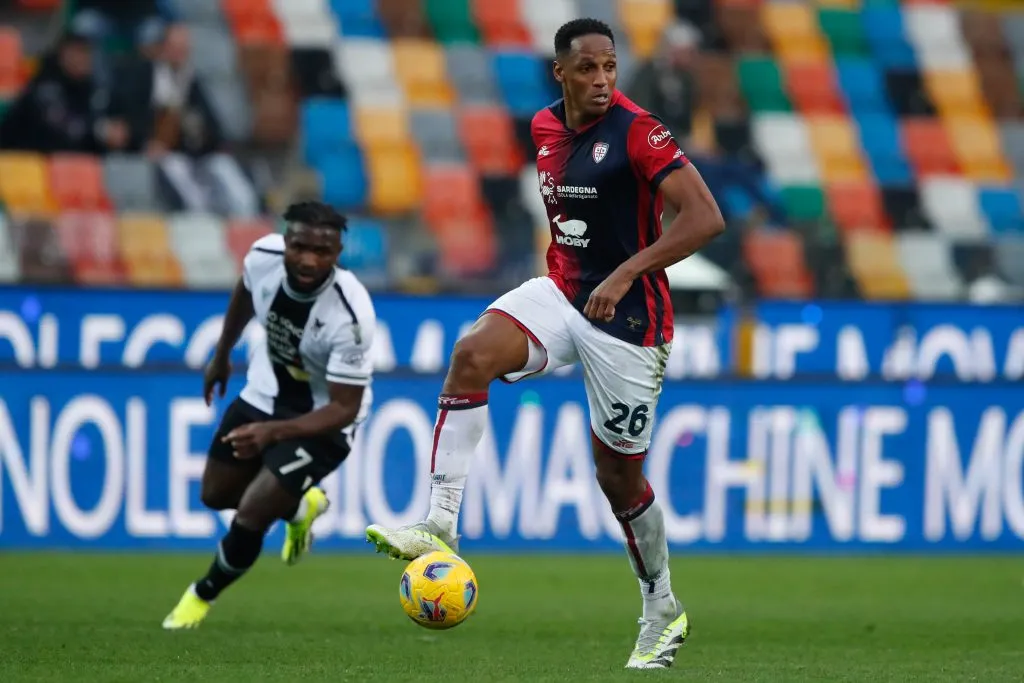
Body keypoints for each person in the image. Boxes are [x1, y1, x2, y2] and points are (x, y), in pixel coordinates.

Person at [366, 17, 724, 670]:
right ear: (559, 72)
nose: (601, 80)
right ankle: (440, 523)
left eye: (610, 66)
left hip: (629, 320)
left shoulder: (638, 132)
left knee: (618, 478)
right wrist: (582, 274)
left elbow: (706, 217)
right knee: (471, 353)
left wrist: (625, 272)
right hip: (564, 294)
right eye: (586, 68)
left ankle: (661, 607)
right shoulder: (544, 128)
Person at [162, 202, 376, 629]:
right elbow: (245, 290)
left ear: (338, 253)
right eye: (300, 246)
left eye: (324, 251)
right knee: (215, 496)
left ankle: (199, 597)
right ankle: (300, 507)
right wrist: (221, 354)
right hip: (263, 393)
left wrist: (271, 433)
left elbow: (344, 408)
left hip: (324, 421)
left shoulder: (350, 316)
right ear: (285, 241)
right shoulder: (263, 257)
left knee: (252, 515)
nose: (309, 260)